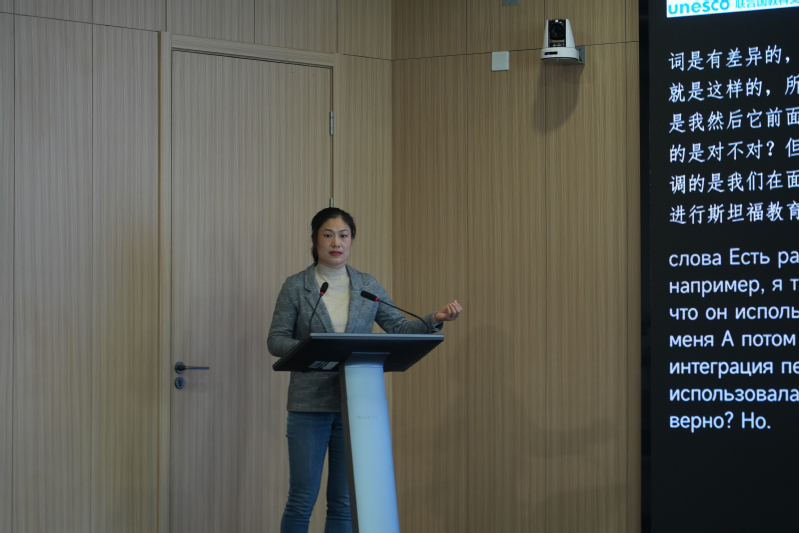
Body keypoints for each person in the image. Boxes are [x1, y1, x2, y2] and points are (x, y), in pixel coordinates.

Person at [267, 207, 462, 533]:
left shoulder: (367, 285)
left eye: (343, 235)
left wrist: (435, 319)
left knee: (343, 502)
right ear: (314, 240)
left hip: (355, 404)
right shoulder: (296, 286)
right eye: (328, 235)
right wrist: (309, 347)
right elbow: (276, 340)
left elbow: (398, 327)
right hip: (308, 406)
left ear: (351, 240)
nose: (336, 243)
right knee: (302, 499)